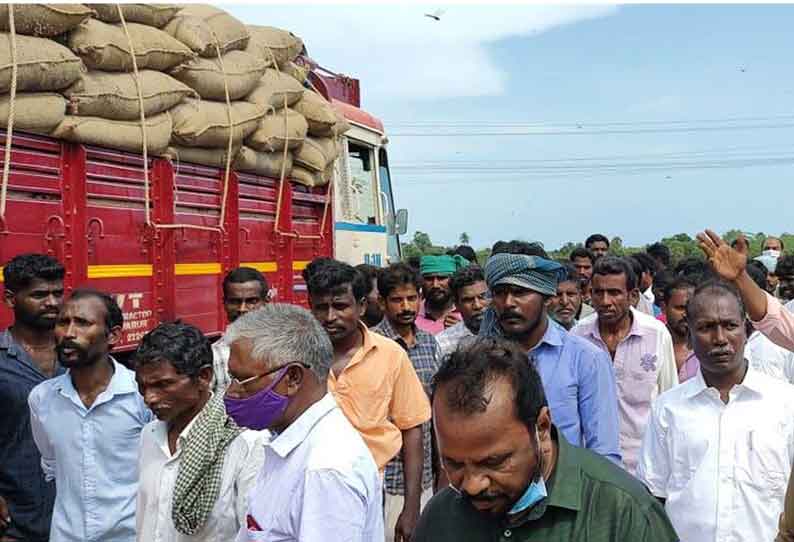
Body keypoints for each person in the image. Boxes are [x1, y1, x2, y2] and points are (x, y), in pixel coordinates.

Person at [413, 337, 679, 542]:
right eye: (454, 464)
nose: (471, 485)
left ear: (541, 427)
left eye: (493, 462)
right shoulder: (440, 518)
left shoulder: (623, 513)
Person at [638, 281, 794, 542]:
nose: (720, 339)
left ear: (746, 329)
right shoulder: (668, 409)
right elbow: (654, 496)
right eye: (706, 327)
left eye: (730, 325)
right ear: (689, 334)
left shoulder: (786, 403)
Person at [224, 304, 384, 541]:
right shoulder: (287, 441)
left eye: (242, 380)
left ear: (292, 378)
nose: (232, 392)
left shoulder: (324, 470)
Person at [303, 258, 429, 541]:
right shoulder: (296, 358)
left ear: (361, 306)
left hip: (370, 486)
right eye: (321, 307)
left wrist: (411, 507)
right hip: (307, 486)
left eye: (340, 306)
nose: (330, 316)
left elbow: (413, 430)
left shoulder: (390, 355)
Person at [479, 242, 621, 464]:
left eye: (520, 292)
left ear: (546, 296)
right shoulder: (480, 359)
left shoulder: (585, 359)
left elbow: (604, 453)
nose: (508, 303)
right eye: (499, 293)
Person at [28, 289, 152, 542]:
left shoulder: (140, 397)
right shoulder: (42, 399)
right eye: (63, 322)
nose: (69, 333)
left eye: (82, 323)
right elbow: (51, 465)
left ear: (113, 335)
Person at [134, 322, 265, 542]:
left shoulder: (244, 443)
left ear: (204, 377)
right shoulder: (150, 436)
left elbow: (254, 532)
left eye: (163, 385)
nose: (149, 398)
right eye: (143, 387)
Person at [571, 256, 678, 474]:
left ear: (633, 296)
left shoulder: (655, 334)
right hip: (592, 468)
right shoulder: (577, 336)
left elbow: (670, 400)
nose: (605, 301)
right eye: (598, 293)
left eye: (614, 293)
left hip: (645, 467)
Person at [372, 264, 441, 540]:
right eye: (397, 300)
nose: (406, 306)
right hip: (384, 479)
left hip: (423, 478)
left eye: (412, 298)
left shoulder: (430, 343)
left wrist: (440, 471)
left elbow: (436, 413)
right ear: (382, 302)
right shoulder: (372, 345)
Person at [0, 254, 64, 542]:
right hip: (16, 517)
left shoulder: (79, 355)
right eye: (39, 295)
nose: (52, 302)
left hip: (76, 514)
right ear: (11, 299)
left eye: (57, 293)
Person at [213, 267, 270, 393]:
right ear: (224, 303)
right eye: (234, 301)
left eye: (251, 301)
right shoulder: (215, 356)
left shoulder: (285, 348)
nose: (242, 309)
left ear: (266, 303)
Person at [436, 266, 490, 359]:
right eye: (468, 300)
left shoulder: (509, 332)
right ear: (456, 304)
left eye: (482, 296)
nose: (477, 305)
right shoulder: (443, 344)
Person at [416, 255, 469, 334]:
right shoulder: (413, 314)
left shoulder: (467, 311)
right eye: (429, 279)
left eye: (441, 278)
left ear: (452, 280)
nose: (435, 285)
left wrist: (463, 331)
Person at [663, 277, 699, 383]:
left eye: (691, 307)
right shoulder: (652, 344)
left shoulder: (707, 347)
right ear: (664, 308)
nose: (685, 314)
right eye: (680, 308)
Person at [547, 263, 591, 330]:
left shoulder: (586, 333)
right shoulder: (533, 336)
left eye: (570, 294)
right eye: (557, 295)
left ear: (580, 296)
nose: (565, 302)